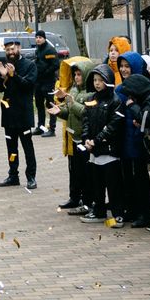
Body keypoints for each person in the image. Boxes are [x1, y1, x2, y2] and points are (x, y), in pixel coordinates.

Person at [102, 52, 150, 227]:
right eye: (121, 66)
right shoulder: (121, 88)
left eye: (127, 66)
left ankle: (144, 214)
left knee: (140, 177)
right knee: (126, 176)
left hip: (138, 138)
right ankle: (131, 209)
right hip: (124, 138)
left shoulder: (143, 87)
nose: (123, 70)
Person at [0, 38, 39, 188]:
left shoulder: (29, 65)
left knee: (27, 147)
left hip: (23, 113)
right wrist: (3, 77)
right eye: (7, 50)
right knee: (11, 147)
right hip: (8, 114)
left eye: (12, 49)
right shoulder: (4, 65)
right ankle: (13, 175)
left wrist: (13, 75)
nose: (10, 52)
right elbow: (0, 89)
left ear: (18, 48)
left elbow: (28, 85)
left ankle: (31, 177)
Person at [79, 65, 120, 223]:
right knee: (97, 184)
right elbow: (86, 120)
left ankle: (117, 214)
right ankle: (99, 211)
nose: (97, 83)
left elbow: (113, 126)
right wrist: (86, 139)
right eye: (95, 80)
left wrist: (96, 140)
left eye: (100, 80)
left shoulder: (115, 101)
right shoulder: (90, 99)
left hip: (108, 151)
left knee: (113, 185)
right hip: (94, 151)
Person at [51, 57, 92, 213]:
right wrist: (60, 111)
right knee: (74, 170)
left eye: (80, 74)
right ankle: (74, 197)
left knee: (85, 171)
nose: (76, 77)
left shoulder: (89, 94)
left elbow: (85, 113)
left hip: (84, 138)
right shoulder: (74, 90)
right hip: (73, 137)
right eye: (75, 75)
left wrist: (71, 103)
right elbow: (69, 113)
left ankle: (87, 200)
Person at [31, 30, 61, 136]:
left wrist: (45, 73)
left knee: (50, 104)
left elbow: (55, 65)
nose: (38, 39)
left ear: (44, 38)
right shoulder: (38, 49)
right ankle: (41, 127)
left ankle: (52, 129)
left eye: (40, 37)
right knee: (39, 104)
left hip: (48, 81)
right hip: (38, 82)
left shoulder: (50, 50)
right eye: (37, 37)